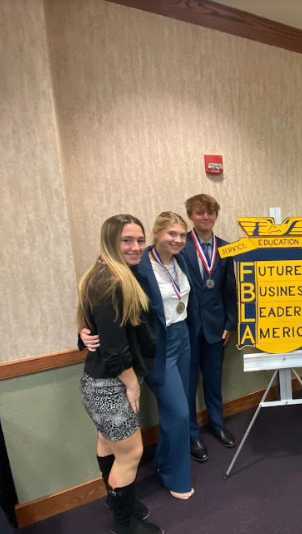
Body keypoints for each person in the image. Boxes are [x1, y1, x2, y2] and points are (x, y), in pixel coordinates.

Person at [82, 212, 197, 500]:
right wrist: (85, 333)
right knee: (180, 414)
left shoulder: (181, 259)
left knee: (179, 410)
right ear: (157, 234)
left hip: (183, 339)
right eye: (171, 234)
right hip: (159, 348)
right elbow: (105, 311)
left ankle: (165, 463)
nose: (178, 240)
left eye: (182, 235)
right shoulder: (135, 266)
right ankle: (177, 477)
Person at [77, 214, 163, 534]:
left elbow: (94, 328)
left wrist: (82, 336)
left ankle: (118, 501)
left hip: (97, 381)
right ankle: (124, 524)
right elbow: (114, 350)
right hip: (110, 384)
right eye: (127, 240)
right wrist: (131, 386)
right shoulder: (111, 281)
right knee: (132, 453)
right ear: (111, 241)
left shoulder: (105, 274)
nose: (136, 246)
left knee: (108, 443)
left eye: (140, 240)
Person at [181, 194, 238, 463]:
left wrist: (230, 323)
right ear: (191, 215)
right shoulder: (180, 248)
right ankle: (192, 434)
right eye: (200, 212)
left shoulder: (225, 249)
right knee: (189, 384)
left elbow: (230, 290)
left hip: (217, 328)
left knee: (214, 380)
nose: (205, 217)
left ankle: (216, 424)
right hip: (188, 329)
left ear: (216, 216)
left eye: (210, 213)